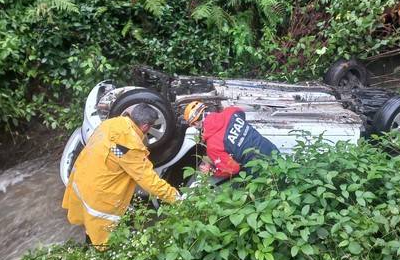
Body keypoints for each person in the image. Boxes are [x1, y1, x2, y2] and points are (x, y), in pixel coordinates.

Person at [62, 104, 180, 248]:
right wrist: (175, 198)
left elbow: (115, 152)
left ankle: (88, 246)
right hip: (100, 195)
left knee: (90, 225)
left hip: (82, 179)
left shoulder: (111, 123)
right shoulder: (129, 147)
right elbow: (150, 181)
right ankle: (101, 259)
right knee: (104, 238)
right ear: (145, 127)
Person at [183, 101, 278, 180]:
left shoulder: (213, 146)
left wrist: (211, 171)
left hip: (259, 169)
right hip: (273, 151)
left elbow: (233, 169)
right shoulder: (230, 112)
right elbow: (241, 112)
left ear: (195, 123)